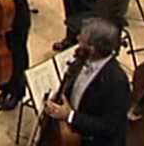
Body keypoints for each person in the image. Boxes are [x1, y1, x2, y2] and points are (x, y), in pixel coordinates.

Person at [42, 17, 131, 145]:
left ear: (92, 49)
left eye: (82, 39)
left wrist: (70, 116)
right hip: (70, 130)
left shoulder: (117, 82)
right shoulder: (81, 59)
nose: (78, 38)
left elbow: (109, 126)